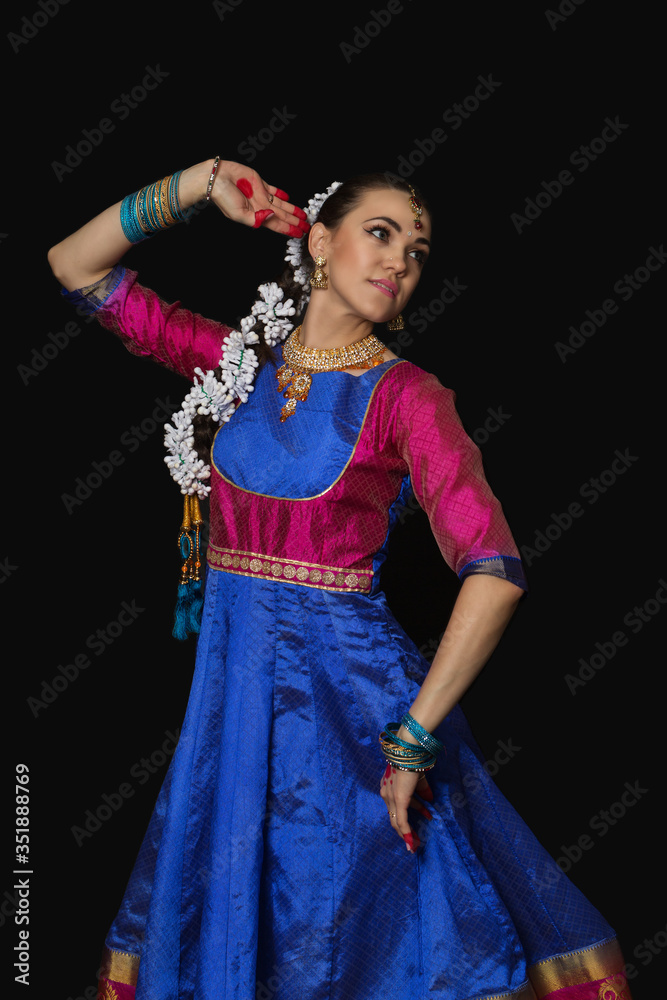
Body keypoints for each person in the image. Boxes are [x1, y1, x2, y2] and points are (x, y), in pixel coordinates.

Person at [48, 158, 631, 1000]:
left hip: (351, 726)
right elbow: (75, 268)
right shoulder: (235, 365)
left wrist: (411, 742)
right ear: (319, 242)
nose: (399, 261)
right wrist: (198, 184)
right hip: (231, 722)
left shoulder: (407, 399)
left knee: (345, 952)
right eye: (380, 233)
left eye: (418, 251)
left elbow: (494, 571)